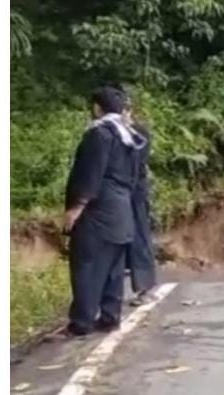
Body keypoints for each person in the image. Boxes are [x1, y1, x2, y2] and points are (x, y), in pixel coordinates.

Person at [62, 86, 146, 336]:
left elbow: (90, 174)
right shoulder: (129, 137)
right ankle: (110, 317)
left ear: (97, 108)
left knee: (86, 264)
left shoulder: (99, 134)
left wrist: (75, 208)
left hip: (99, 212)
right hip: (122, 211)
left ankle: (81, 322)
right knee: (112, 267)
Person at [123, 99, 157, 306]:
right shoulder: (106, 133)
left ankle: (144, 289)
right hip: (114, 195)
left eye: (124, 110)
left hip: (134, 192)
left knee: (139, 238)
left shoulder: (139, 133)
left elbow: (137, 160)